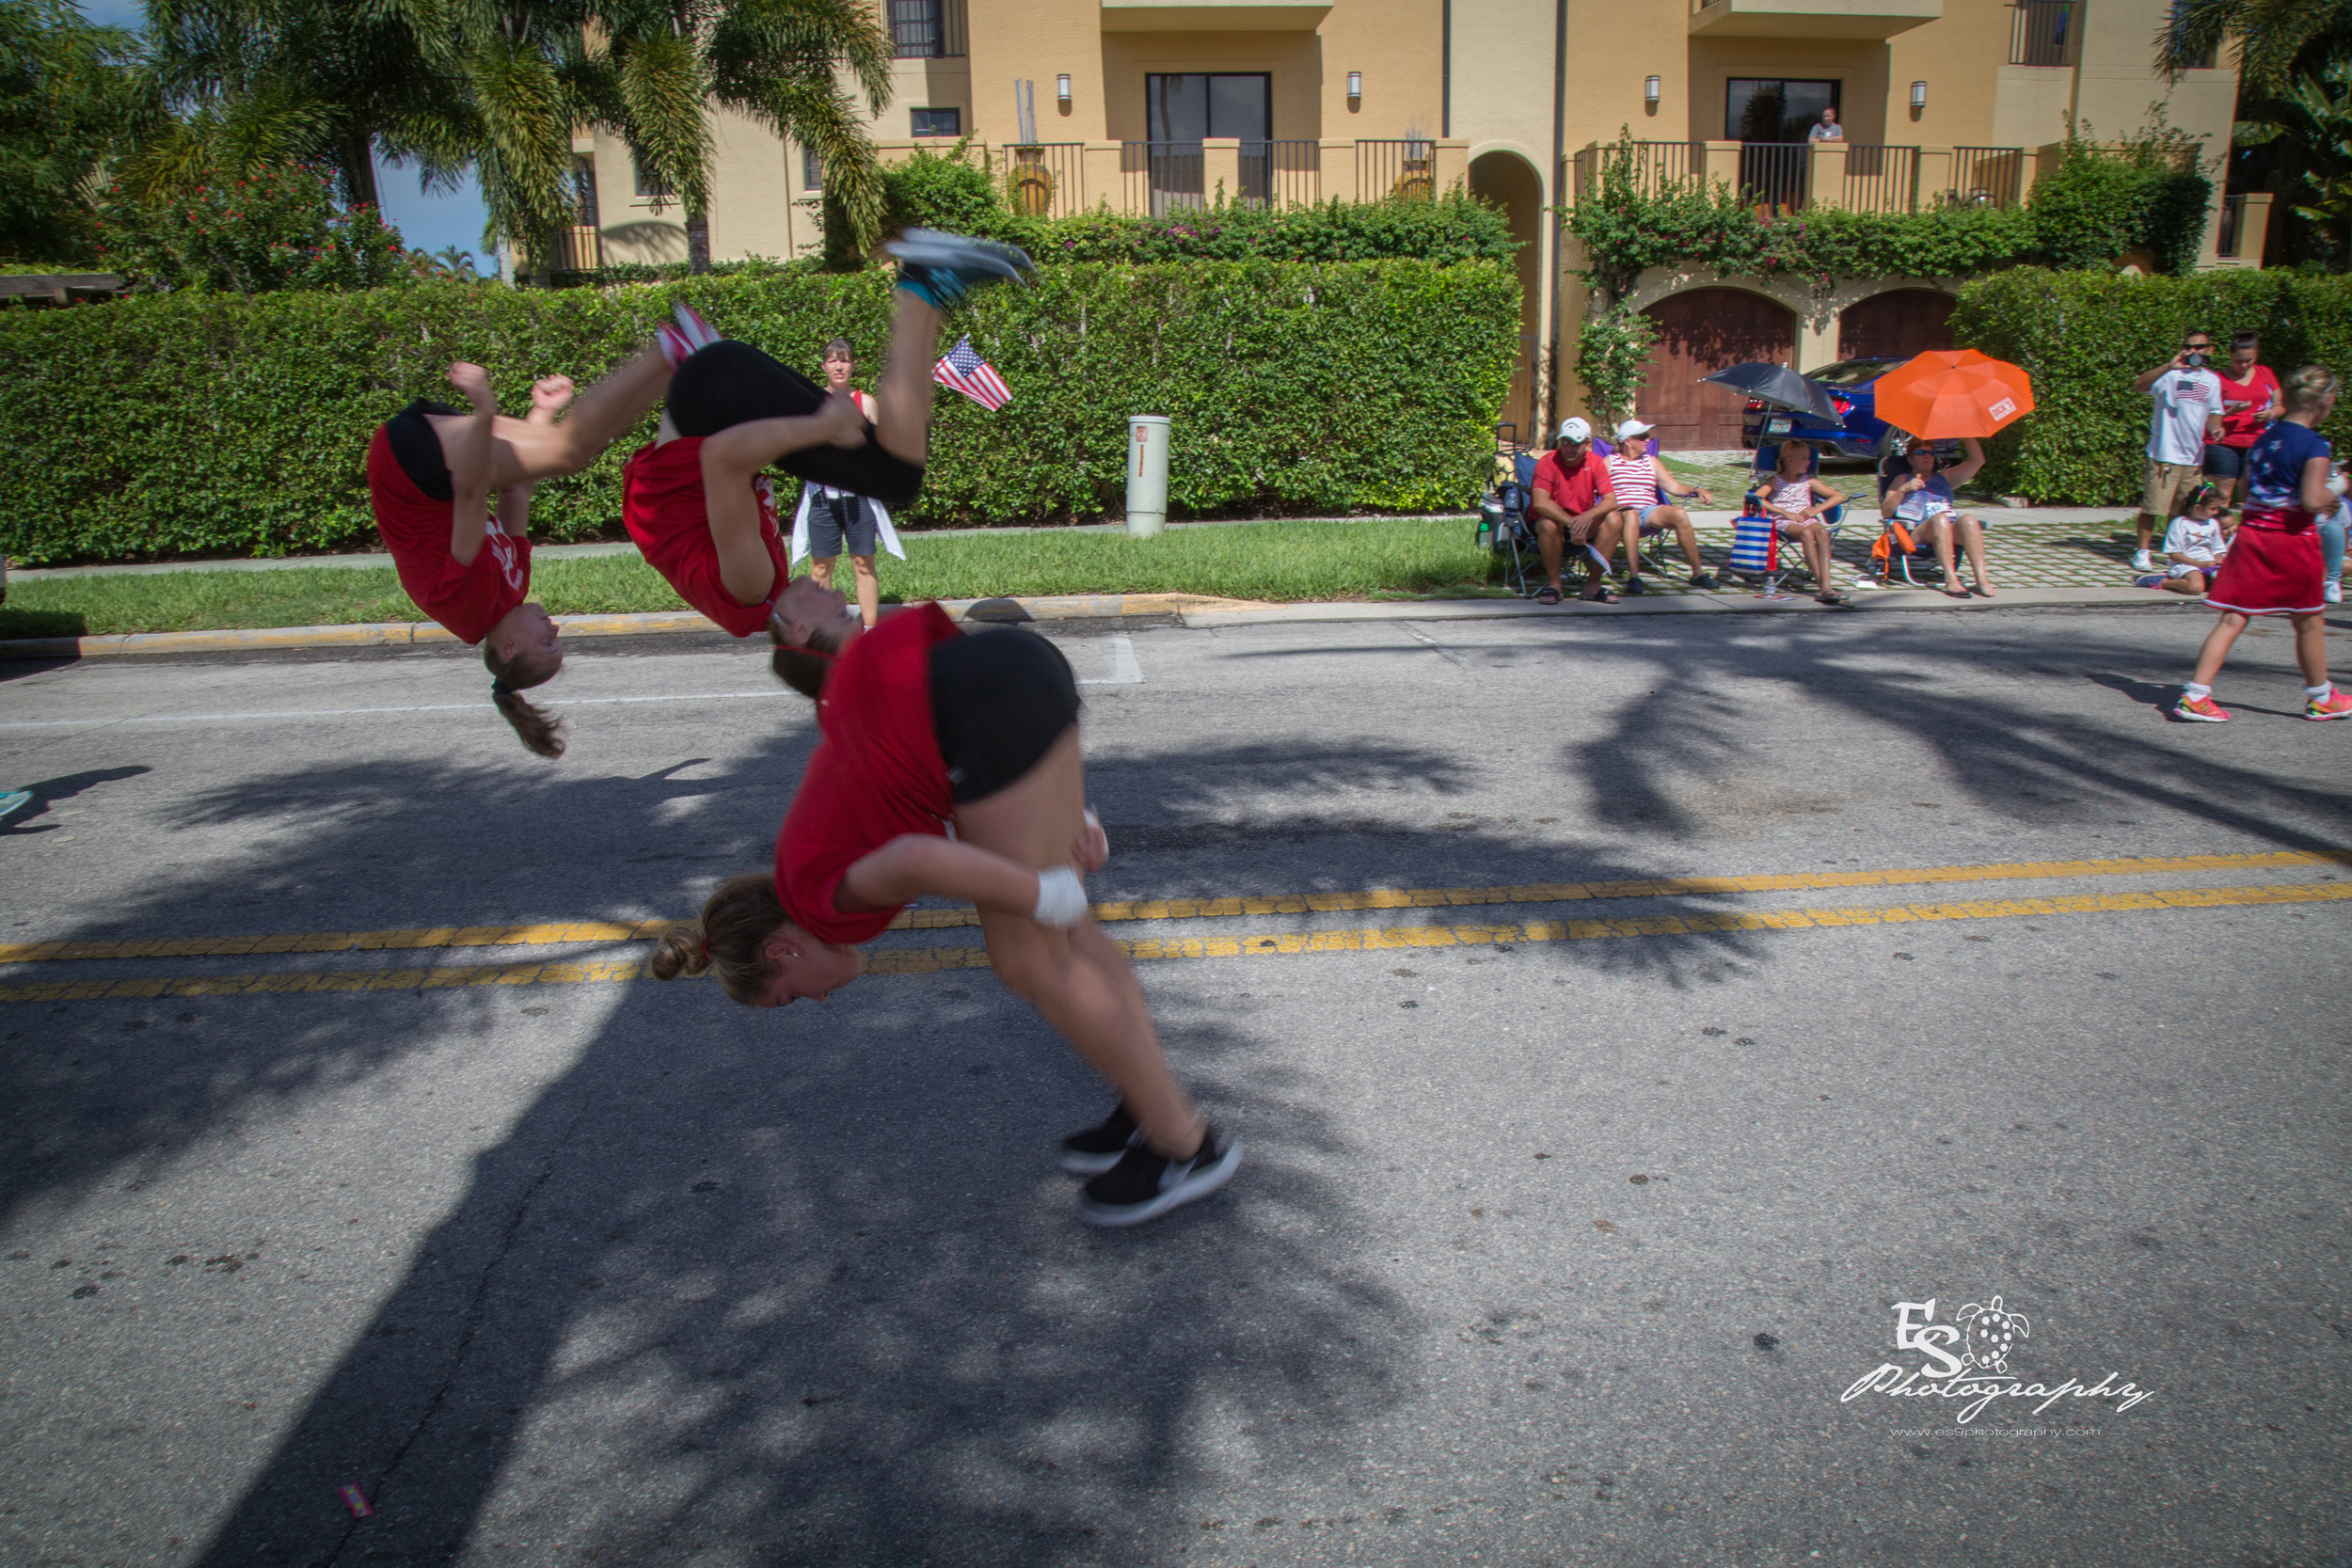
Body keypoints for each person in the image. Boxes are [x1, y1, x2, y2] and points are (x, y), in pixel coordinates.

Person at [650, 573, 1242, 1226]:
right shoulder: (806, 860)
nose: (817, 999)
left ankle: (1185, 1146)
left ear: (783, 948)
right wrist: (1072, 818)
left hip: (976, 702)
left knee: (1029, 957)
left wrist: (1041, 890)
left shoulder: (819, 902)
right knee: (1073, 940)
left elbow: (917, 858)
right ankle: (1147, 1100)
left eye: (791, 993)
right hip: (1000, 674)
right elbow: (942, 796)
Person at [622, 231, 1029, 643]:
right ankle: (930, 288)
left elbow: (721, 458)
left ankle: (925, 284)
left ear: (801, 631)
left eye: (838, 612)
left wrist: (821, 427)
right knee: (886, 457)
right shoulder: (755, 598)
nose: (838, 592)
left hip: (714, 396)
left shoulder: (751, 588)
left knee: (896, 476)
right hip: (712, 392)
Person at [366, 340, 675, 756]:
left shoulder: (466, 604)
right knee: (563, 451)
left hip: (408, 465)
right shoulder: (515, 589)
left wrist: (484, 412)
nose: (555, 629)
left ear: (509, 648)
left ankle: (668, 350)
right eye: (556, 639)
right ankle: (675, 366)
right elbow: (517, 486)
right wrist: (542, 413)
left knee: (566, 453)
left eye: (547, 642)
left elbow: (472, 493)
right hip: (439, 468)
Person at [2175, 364, 2352, 722]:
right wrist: (2339, 486)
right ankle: (2321, 697)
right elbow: (2312, 501)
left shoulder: (2264, 438)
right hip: (2291, 540)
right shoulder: (2316, 444)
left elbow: (2246, 489)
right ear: (2325, 404)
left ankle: (2195, 695)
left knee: (2233, 618)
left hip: (2252, 537)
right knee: (2308, 621)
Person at [793, 337, 899, 630]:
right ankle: (825, 630)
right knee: (820, 567)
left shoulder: (866, 403)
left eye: (844, 360)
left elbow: (882, 450)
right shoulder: (812, 401)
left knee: (863, 564)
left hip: (859, 498)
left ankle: (870, 631)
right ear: (824, 366)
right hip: (822, 497)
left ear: (853, 365)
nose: (838, 366)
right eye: (832, 360)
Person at [2130, 328, 2225, 572]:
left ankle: (2174, 553)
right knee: (2154, 507)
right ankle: (2142, 552)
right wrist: (2168, 365)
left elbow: (2215, 413)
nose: (2194, 352)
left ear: (2209, 350)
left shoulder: (2212, 380)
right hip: (2164, 455)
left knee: (2183, 510)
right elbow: (2138, 385)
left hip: (2193, 457)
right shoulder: (2169, 376)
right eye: (2189, 347)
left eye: (2199, 347)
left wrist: (2216, 428)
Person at [1602, 419, 1720, 593]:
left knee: (1679, 514)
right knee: (1631, 514)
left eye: (1647, 437)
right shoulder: (1610, 462)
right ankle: (1634, 577)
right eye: (1642, 437)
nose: (1647, 440)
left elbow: (1674, 487)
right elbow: (1597, 490)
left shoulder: (1651, 461)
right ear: (1627, 441)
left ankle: (1697, 573)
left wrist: (1697, 489)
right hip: (1621, 512)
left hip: (1648, 511)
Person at [1880, 436, 1994, 598]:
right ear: (1910, 459)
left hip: (1948, 527)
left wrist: (1966, 434)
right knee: (1940, 519)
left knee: (1969, 520)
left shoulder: (1944, 477)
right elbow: (1885, 512)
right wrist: (1903, 490)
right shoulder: (1902, 479)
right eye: (1921, 452)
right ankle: (1950, 578)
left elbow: (1977, 461)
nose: (1927, 456)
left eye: (1931, 453)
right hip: (1917, 532)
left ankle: (1981, 580)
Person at [1528, 417, 1626, 604]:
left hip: (1581, 518)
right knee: (1548, 524)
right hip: (1552, 520)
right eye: (1565, 442)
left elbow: (1611, 500)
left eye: (1576, 443)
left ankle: (1593, 585)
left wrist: (1588, 516)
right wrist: (1574, 524)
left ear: (1588, 444)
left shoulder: (1595, 462)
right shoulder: (1547, 463)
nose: (1569, 448)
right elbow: (1540, 503)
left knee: (1614, 519)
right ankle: (1554, 584)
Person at [1755, 439, 1851, 606]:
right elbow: (1756, 497)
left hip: (1807, 517)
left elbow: (1839, 496)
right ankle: (1823, 587)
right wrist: (1785, 512)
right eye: (1804, 458)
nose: (1809, 462)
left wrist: (1815, 510)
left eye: (1808, 458)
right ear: (1789, 460)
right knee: (1806, 533)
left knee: (1821, 532)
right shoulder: (1775, 480)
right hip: (1782, 520)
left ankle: (1826, 586)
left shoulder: (1808, 480)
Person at [2208, 329, 2282, 509]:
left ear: (2256, 354)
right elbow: (2208, 416)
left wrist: (2269, 414)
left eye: (2249, 360)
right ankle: (2218, 531)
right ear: (2230, 356)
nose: (2243, 365)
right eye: (2238, 361)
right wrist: (2232, 411)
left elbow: (2281, 406)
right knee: (2223, 494)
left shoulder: (2265, 373)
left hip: (2255, 441)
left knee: (2251, 494)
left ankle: (2244, 532)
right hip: (2223, 441)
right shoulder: (2217, 379)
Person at [2135, 483, 2232, 596]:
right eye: (2213, 509)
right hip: (2186, 563)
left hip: (2208, 563)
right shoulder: (2179, 523)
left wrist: (2221, 562)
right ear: (2198, 508)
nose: (2216, 512)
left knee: (2227, 586)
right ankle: (2162, 581)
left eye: (2217, 508)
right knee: (2195, 588)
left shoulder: (2213, 523)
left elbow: (2217, 551)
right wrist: (2199, 564)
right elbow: (2174, 555)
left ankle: (2204, 581)